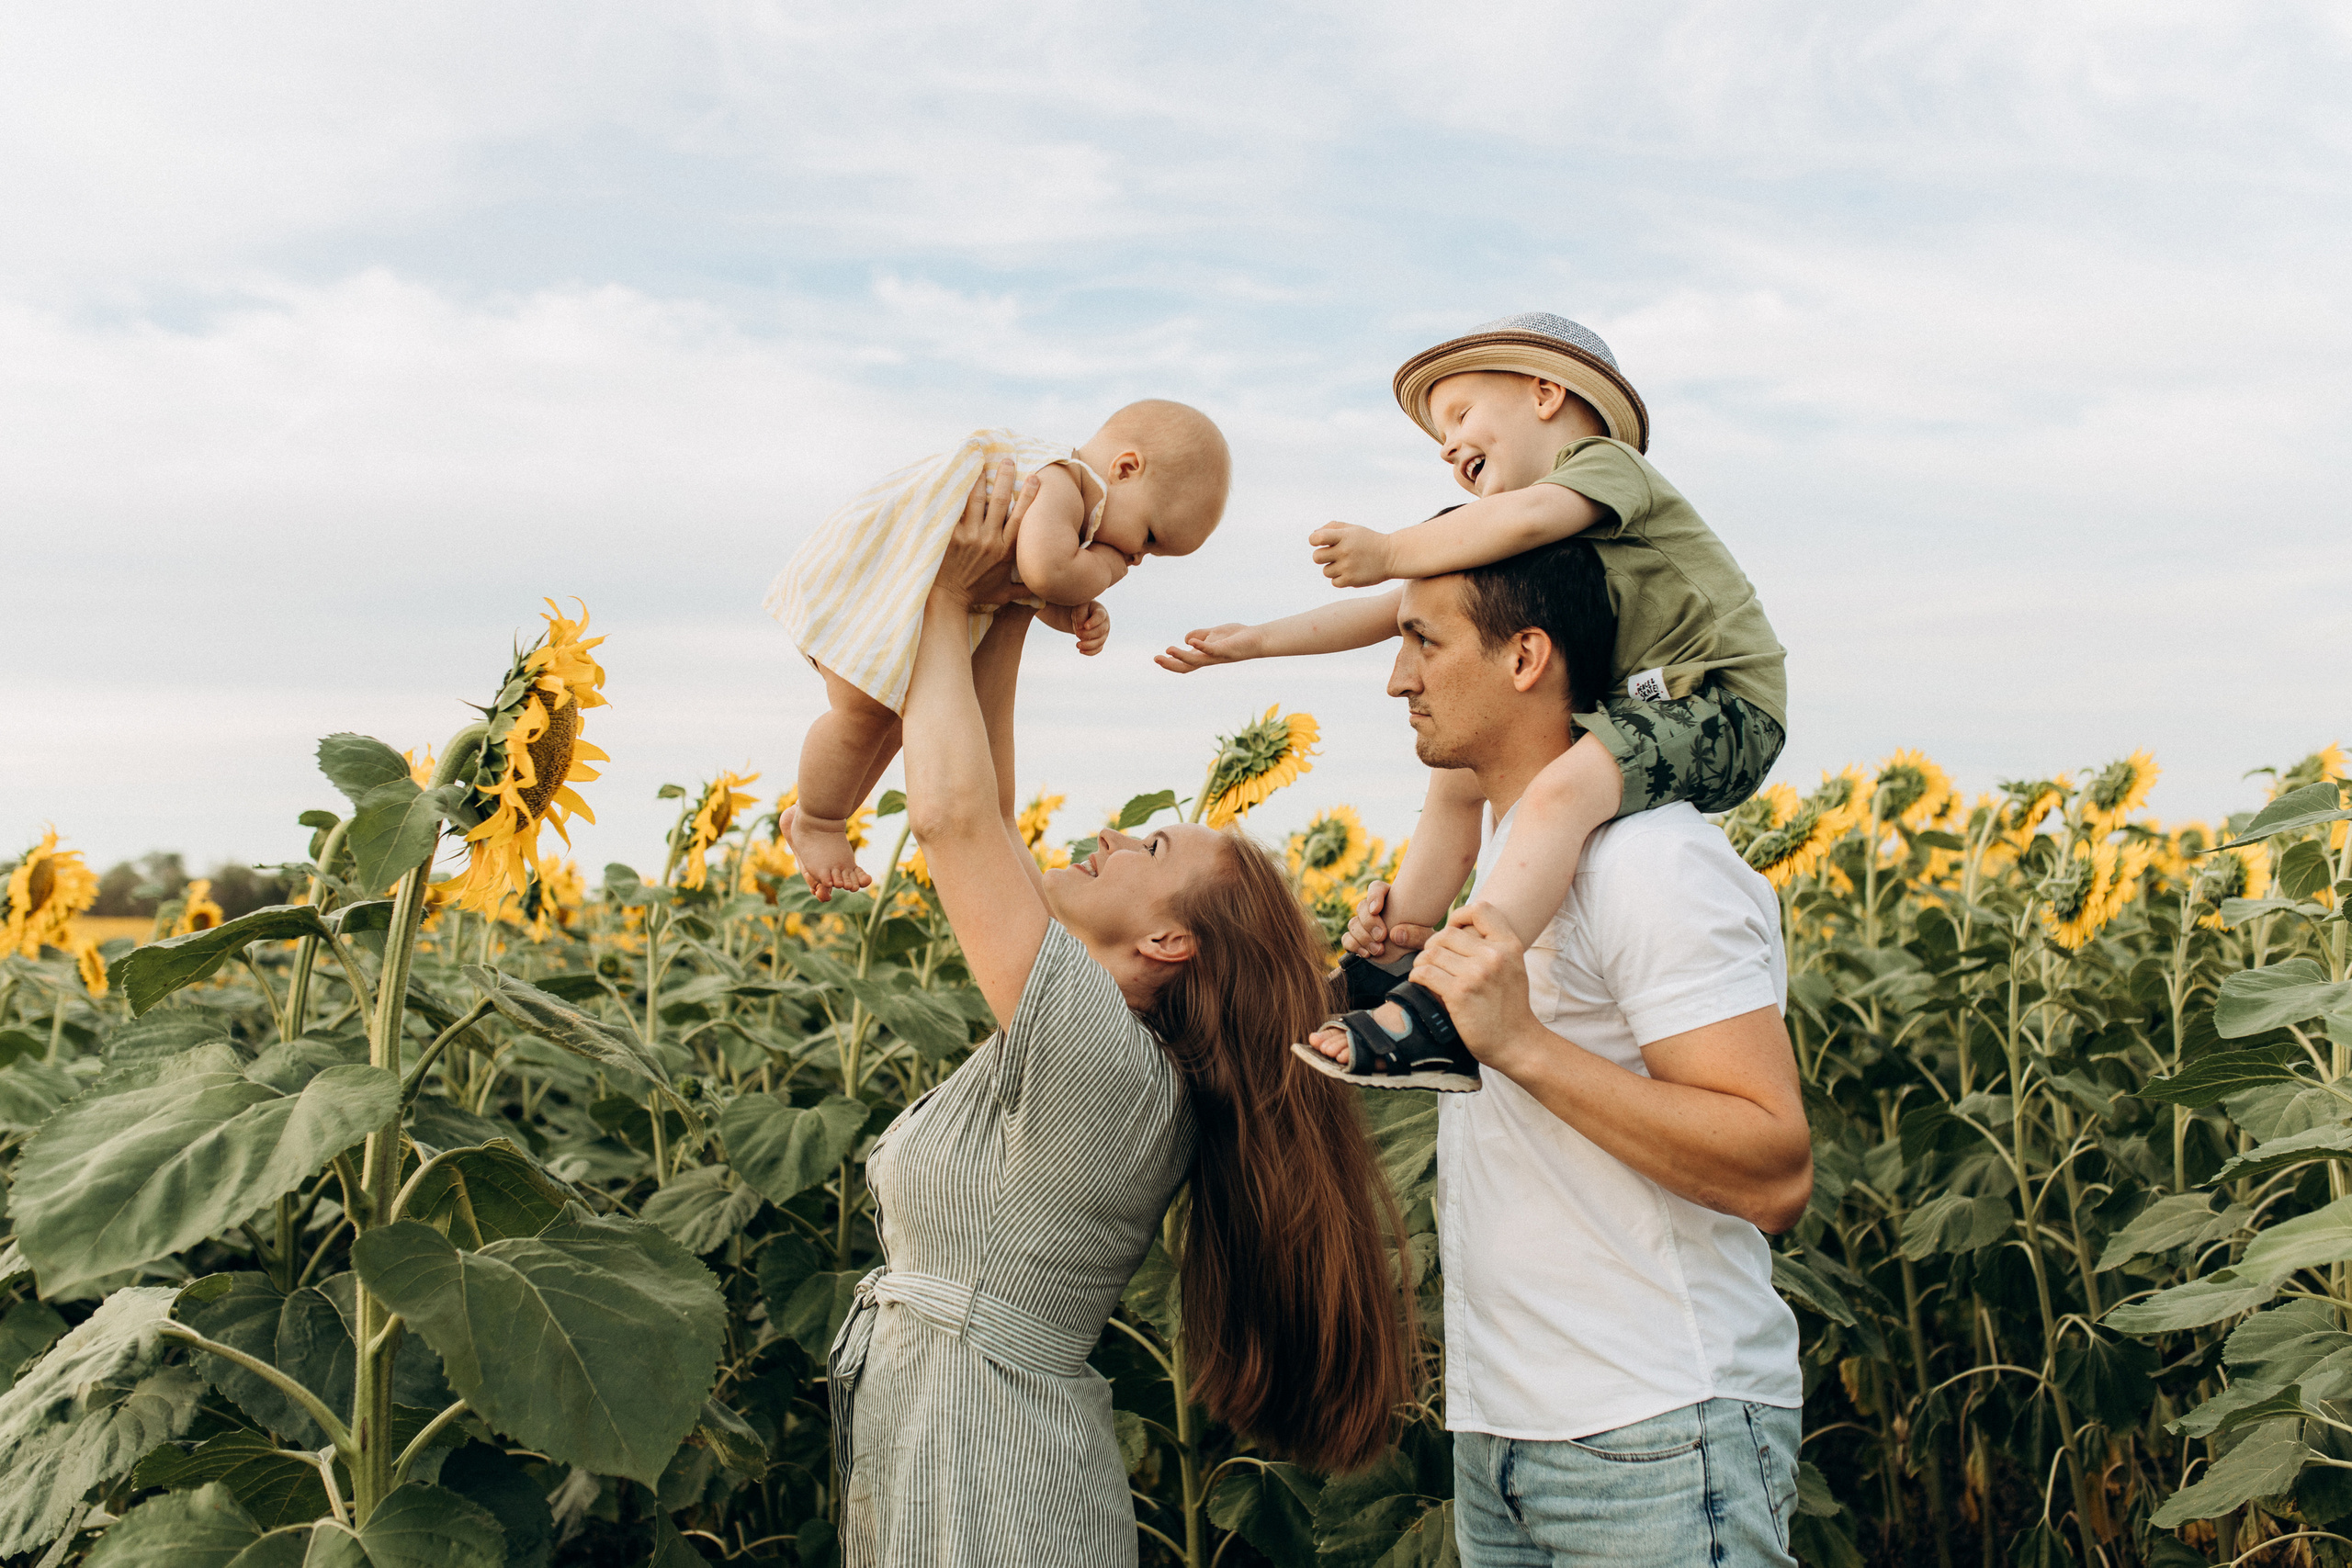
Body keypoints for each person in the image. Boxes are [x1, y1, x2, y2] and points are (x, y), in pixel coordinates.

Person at [827, 460, 1410, 1568]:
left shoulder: (1107, 1069)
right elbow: (987, 814)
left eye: (1151, 849)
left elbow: (954, 822)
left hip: (992, 1482)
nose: (1109, 834)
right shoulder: (1107, 1048)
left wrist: (946, 601)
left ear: (1168, 943)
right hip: (962, 1458)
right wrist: (1003, 612)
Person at [1309, 539, 1814, 1564]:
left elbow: (1773, 1169)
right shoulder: (1502, 866)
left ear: (1526, 655)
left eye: (1421, 640)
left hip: (1662, 1434)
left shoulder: (1647, 861)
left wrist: (1524, 1045)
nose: (1397, 676)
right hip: (1506, 1435)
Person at [1159, 314, 1785, 1086]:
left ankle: (1442, 1007)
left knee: (1561, 794)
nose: (1449, 446)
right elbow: (1403, 608)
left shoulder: (1608, 469)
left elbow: (1516, 517)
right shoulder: (1541, 544)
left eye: (1460, 416)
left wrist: (1389, 547)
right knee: (1460, 776)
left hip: (1722, 702)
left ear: (1549, 393)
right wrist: (1258, 641)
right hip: (1637, 701)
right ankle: (1384, 962)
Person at [770, 403, 1231, 897]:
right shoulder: (1060, 482)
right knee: (858, 715)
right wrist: (1101, 569)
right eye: (1150, 537)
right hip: (873, 591)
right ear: (1125, 468)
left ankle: (823, 811)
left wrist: (1071, 613)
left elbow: (1026, 591)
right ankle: (818, 820)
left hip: (908, 604)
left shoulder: (1066, 511)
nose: (1138, 558)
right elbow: (1045, 571)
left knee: (890, 722)